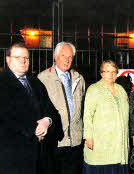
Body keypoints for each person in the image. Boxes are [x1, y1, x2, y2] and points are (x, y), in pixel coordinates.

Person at [0, 43, 63, 174]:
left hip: (39, 156)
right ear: (8, 59)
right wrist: (35, 129)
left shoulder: (35, 82)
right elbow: (5, 114)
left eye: (26, 58)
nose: (23, 61)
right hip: (14, 155)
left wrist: (48, 121)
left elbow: (51, 110)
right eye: (18, 57)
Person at [38, 41, 86, 174]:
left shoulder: (79, 78)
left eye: (70, 57)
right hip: (55, 142)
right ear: (55, 56)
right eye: (63, 55)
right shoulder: (43, 78)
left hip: (76, 142)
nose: (67, 60)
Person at [83, 60, 130, 174]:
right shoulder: (94, 89)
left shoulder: (121, 90)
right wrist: (88, 137)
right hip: (101, 143)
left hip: (119, 143)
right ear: (101, 73)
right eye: (107, 71)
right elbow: (87, 115)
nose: (111, 74)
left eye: (114, 71)